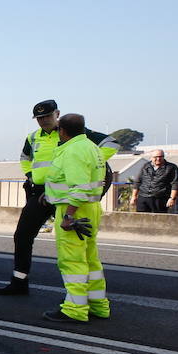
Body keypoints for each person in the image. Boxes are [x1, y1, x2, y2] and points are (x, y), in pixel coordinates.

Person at [0, 100, 120, 296]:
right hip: (40, 194)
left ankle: (81, 294)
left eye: (47, 116)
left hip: (66, 196)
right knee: (22, 236)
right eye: (39, 118)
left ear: (57, 114)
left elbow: (112, 144)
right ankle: (19, 281)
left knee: (74, 247)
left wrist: (91, 161)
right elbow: (25, 159)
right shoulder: (33, 137)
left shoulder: (73, 132)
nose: (43, 121)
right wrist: (31, 176)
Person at [41, 114, 110, 323]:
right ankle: (98, 305)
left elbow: (78, 187)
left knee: (72, 260)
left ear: (62, 130)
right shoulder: (91, 147)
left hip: (75, 211)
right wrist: (51, 194)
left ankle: (75, 309)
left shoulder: (72, 150)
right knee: (90, 259)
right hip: (91, 208)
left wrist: (68, 215)